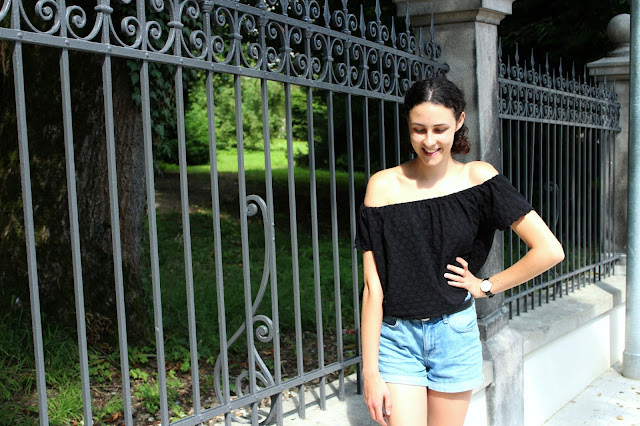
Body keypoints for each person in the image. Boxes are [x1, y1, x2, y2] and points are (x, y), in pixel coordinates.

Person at [355, 77, 565, 426]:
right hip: (397, 339)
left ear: (459, 121)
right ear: (408, 124)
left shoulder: (479, 180)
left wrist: (486, 286)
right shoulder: (382, 186)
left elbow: (549, 250)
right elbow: (372, 287)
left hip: (454, 335)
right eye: (419, 129)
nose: (429, 141)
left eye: (440, 129)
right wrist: (370, 372)